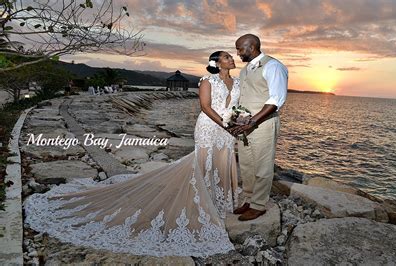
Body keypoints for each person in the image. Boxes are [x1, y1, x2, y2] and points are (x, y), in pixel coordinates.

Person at [24, 51, 241, 257]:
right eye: (226, 57)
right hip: (210, 127)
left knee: (224, 159)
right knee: (204, 160)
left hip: (228, 130)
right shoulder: (206, 81)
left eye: (231, 56)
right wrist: (225, 123)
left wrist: (239, 120)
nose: (231, 59)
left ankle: (219, 200)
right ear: (216, 63)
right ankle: (202, 199)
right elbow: (204, 106)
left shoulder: (237, 82)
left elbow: (237, 107)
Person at [230, 34, 288, 221]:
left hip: (263, 123)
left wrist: (252, 122)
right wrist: (237, 120)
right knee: (246, 164)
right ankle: (249, 198)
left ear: (252, 47)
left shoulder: (273, 66)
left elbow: (276, 100)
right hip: (245, 125)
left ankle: (258, 205)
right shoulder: (245, 70)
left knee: (262, 165)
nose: (237, 53)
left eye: (240, 49)